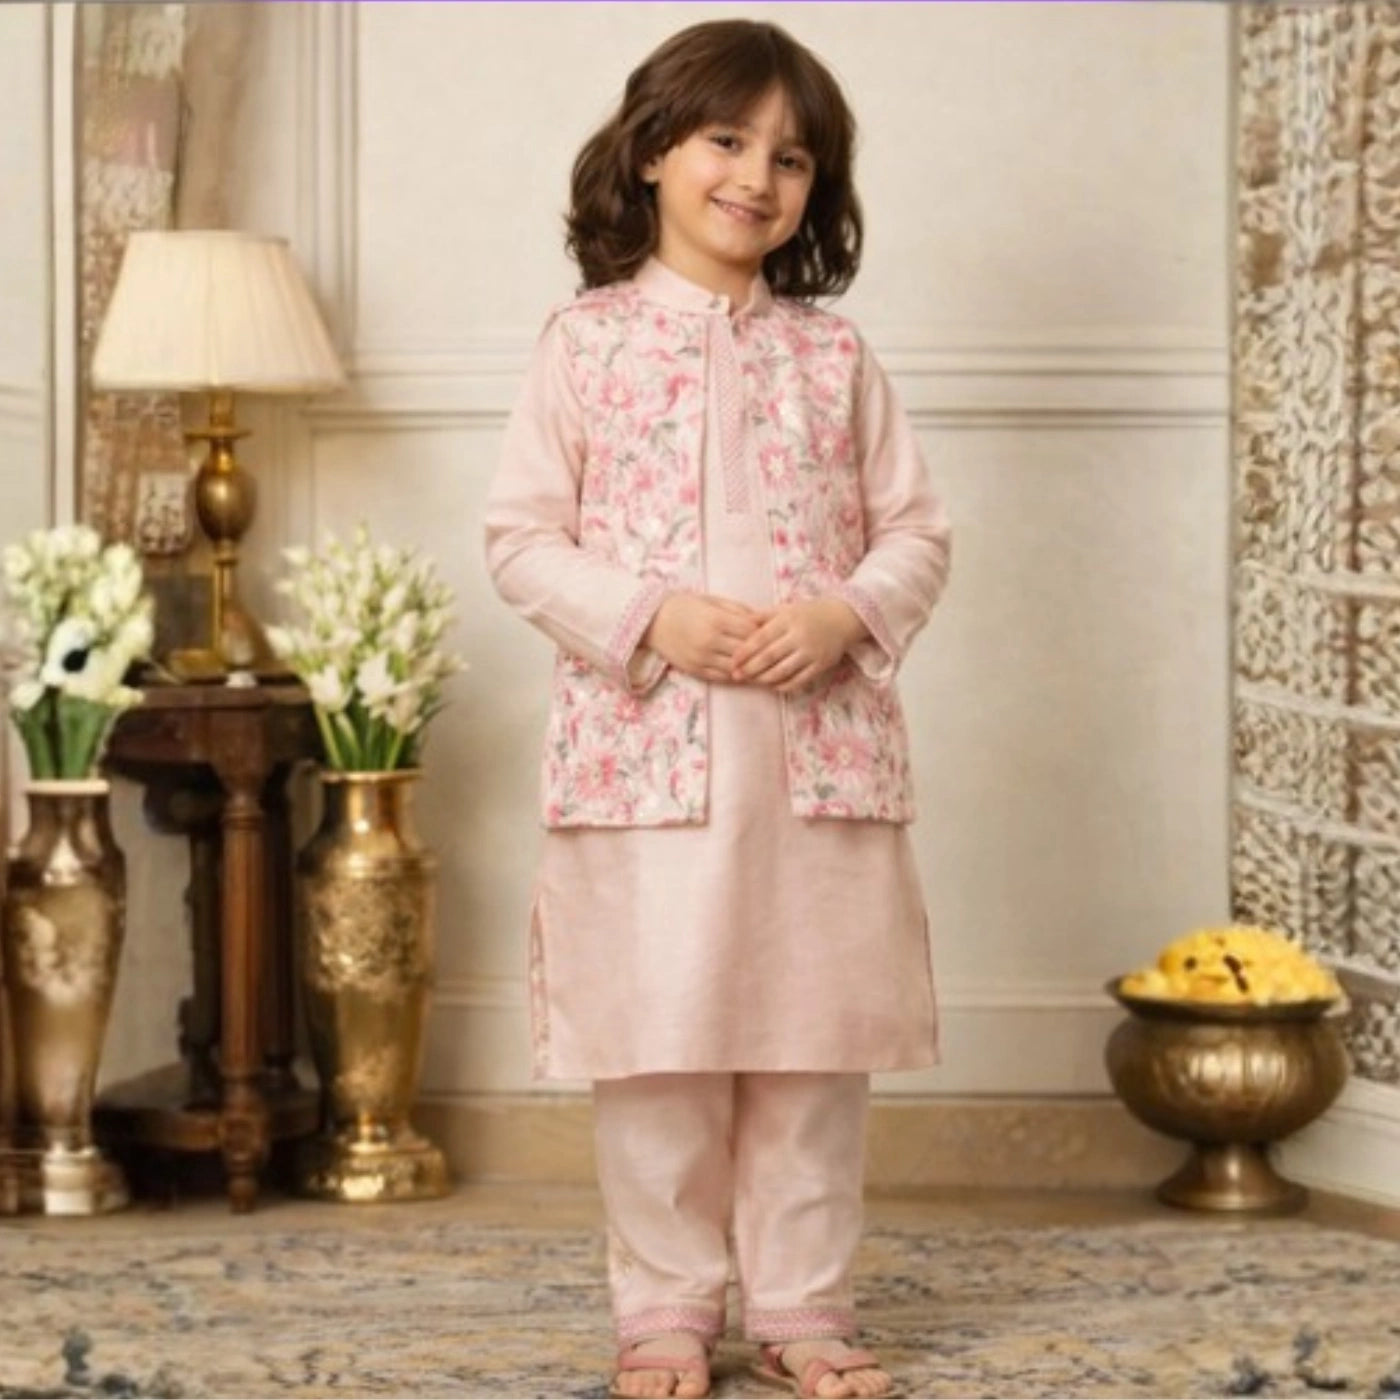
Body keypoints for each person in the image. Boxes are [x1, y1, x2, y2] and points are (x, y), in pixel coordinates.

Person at [484, 18, 951, 1400]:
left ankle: (804, 1309)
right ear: (649, 155)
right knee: (658, 1050)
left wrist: (839, 618)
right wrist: (653, 618)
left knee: (811, 1051)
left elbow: (917, 534)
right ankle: (669, 1313)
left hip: (818, 759)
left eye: (792, 157)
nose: (758, 176)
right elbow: (520, 539)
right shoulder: (584, 347)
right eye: (727, 140)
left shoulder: (835, 357)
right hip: (646, 764)